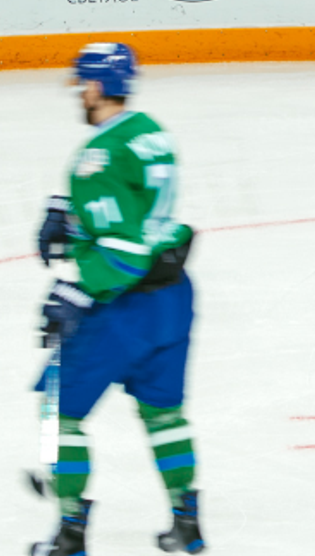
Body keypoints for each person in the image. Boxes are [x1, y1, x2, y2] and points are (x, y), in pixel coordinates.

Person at [31, 43, 203, 556]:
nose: (79, 94)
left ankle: (70, 535)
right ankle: (187, 524)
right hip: (172, 299)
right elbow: (136, 209)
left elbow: (123, 251)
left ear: (98, 86)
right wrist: (69, 212)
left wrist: (75, 292)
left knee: (59, 410)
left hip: (121, 305)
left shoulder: (97, 157)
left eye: (83, 85)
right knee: (164, 415)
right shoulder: (151, 133)